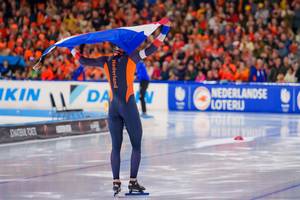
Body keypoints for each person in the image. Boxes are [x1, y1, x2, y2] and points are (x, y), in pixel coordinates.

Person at [72, 18, 171, 196]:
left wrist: (72, 47)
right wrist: (165, 31)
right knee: (136, 146)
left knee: (115, 147)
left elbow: (83, 61)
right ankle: (133, 182)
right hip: (128, 105)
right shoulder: (132, 58)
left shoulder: (105, 60)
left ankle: (116, 183)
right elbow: (153, 48)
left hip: (113, 109)